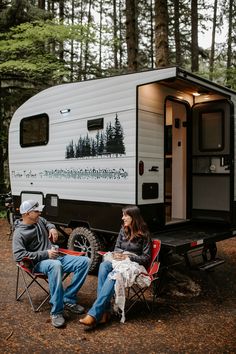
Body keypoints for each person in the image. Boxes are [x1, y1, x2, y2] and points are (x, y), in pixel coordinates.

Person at [12, 200, 90, 328]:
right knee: (55, 266)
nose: (40, 213)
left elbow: (47, 222)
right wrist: (45, 254)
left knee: (85, 261)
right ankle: (56, 312)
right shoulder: (19, 234)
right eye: (36, 211)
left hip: (56, 257)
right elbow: (19, 256)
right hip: (37, 264)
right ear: (26, 214)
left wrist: (52, 228)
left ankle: (68, 299)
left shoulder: (39, 220)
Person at [79, 205, 151, 328]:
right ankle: (105, 311)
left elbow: (146, 258)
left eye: (125, 215)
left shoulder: (144, 234)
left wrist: (128, 256)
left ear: (133, 217)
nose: (122, 218)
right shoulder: (123, 229)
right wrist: (117, 254)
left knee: (114, 275)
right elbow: (117, 247)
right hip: (119, 260)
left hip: (133, 265)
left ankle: (94, 314)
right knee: (104, 266)